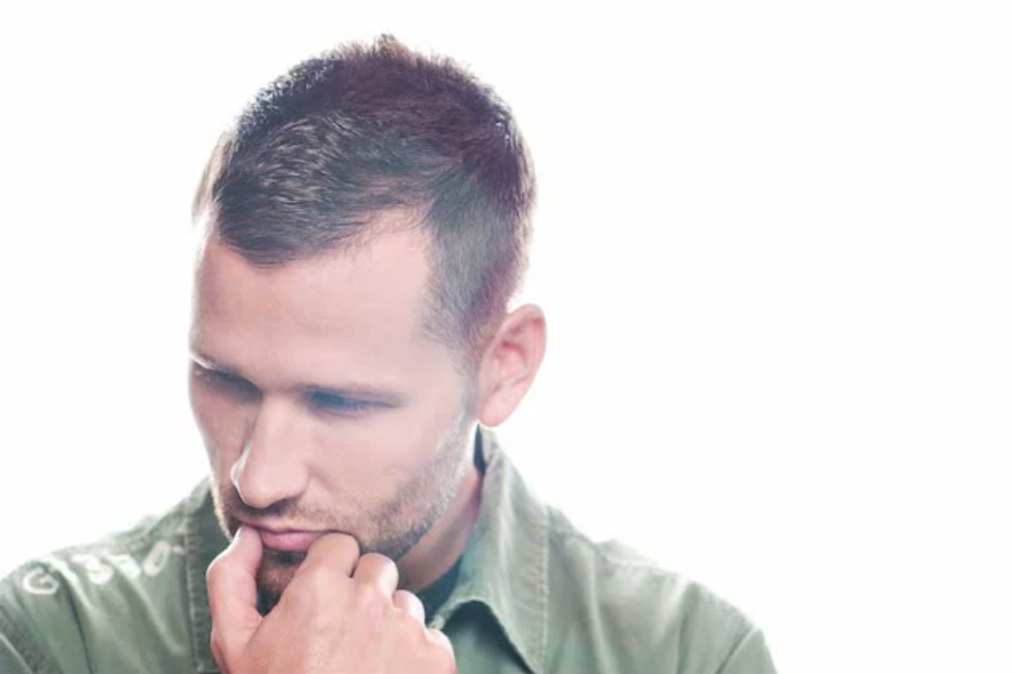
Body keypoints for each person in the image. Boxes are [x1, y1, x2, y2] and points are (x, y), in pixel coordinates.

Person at [0, 35, 776, 674]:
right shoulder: (50, 641)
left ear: (503, 364)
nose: (257, 479)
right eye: (223, 379)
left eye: (339, 401)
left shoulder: (690, 656)